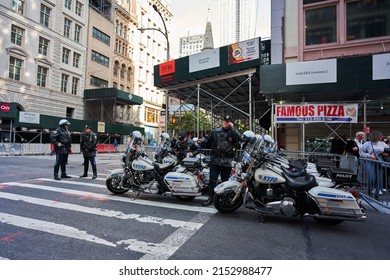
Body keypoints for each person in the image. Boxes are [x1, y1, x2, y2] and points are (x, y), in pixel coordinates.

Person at [199, 115, 242, 206]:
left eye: (228, 122)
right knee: (212, 181)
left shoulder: (233, 133)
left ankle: (222, 199)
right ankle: (210, 198)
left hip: (227, 161)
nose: (225, 123)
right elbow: (207, 138)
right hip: (215, 160)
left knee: (225, 182)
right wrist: (201, 141)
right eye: (225, 121)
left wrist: (232, 128)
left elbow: (239, 139)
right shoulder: (215, 131)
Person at [359, 131, 389, 200]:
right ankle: (370, 190)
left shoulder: (383, 144)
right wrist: (369, 156)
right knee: (371, 177)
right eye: (380, 136)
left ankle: (377, 194)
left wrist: (385, 154)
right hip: (370, 162)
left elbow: (387, 151)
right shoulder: (367, 144)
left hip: (380, 162)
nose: (381, 137)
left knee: (379, 179)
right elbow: (361, 152)